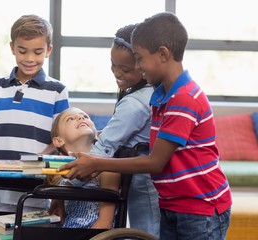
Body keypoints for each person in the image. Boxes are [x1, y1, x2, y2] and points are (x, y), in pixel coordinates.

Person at [58, 12, 232, 240]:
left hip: (200, 207)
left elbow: (156, 161)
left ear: (162, 54)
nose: (139, 67)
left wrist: (96, 162)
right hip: (173, 204)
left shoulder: (184, 98)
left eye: (139, 59)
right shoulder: (161, 96)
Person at [0, 14, 70, 212]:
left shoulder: (57, 91)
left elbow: (61, 139)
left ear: (48, 50)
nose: (29, 59)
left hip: (36, 189)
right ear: (12, 48)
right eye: (22, 51)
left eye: (37, 52)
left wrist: (39, 158)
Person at [90, 24, 159, 238]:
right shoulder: (149, 93)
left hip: (145, 184)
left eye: (126, 69)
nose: (117, 73)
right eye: (113, 65)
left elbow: (105, 147)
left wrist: (67, 178)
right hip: (147, 183)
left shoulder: (136, 103)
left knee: (146, 232)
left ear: (143, 62)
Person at [49, 107, 121, 229]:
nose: (81, 118)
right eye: (70, 119)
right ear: (58, 141)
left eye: (85, 117)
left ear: (96, 135)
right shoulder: (58, 173)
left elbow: (105, 223)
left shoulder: (107, 168)